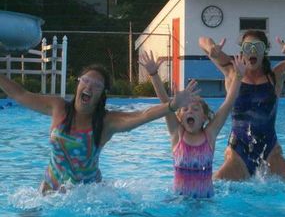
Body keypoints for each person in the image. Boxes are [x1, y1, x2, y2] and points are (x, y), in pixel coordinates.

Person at [0, 65, 198, 193]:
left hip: (86, 197)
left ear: (102, 94)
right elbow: (20, 94)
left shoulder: (106, 122)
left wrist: (171, 105)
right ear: (78, 85)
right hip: (49, 190)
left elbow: (142, 115)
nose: (89, 86)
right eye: (85, 81)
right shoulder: (58, 107)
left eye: (96, 85)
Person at [198, 31, 285, 182]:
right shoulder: (232, 71)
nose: (253, 51)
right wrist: (211, 48)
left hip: (270, 152)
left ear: (265, 51)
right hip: (238, 153)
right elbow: (202, 40)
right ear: (242, 51)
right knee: (208, 188)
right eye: (248, 47)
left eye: (258, 47)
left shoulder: (277, 75)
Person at [140, 51, 246, 198]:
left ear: (204, 117)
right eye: (185, 109)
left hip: (206, 202)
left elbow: (228, 103)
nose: (190, 111)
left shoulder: (210, 134)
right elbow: (165, 102)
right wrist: (153, 74)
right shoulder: (177, 134)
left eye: (196, 109)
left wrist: (239, 77)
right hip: (179, 201)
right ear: (179, 116)